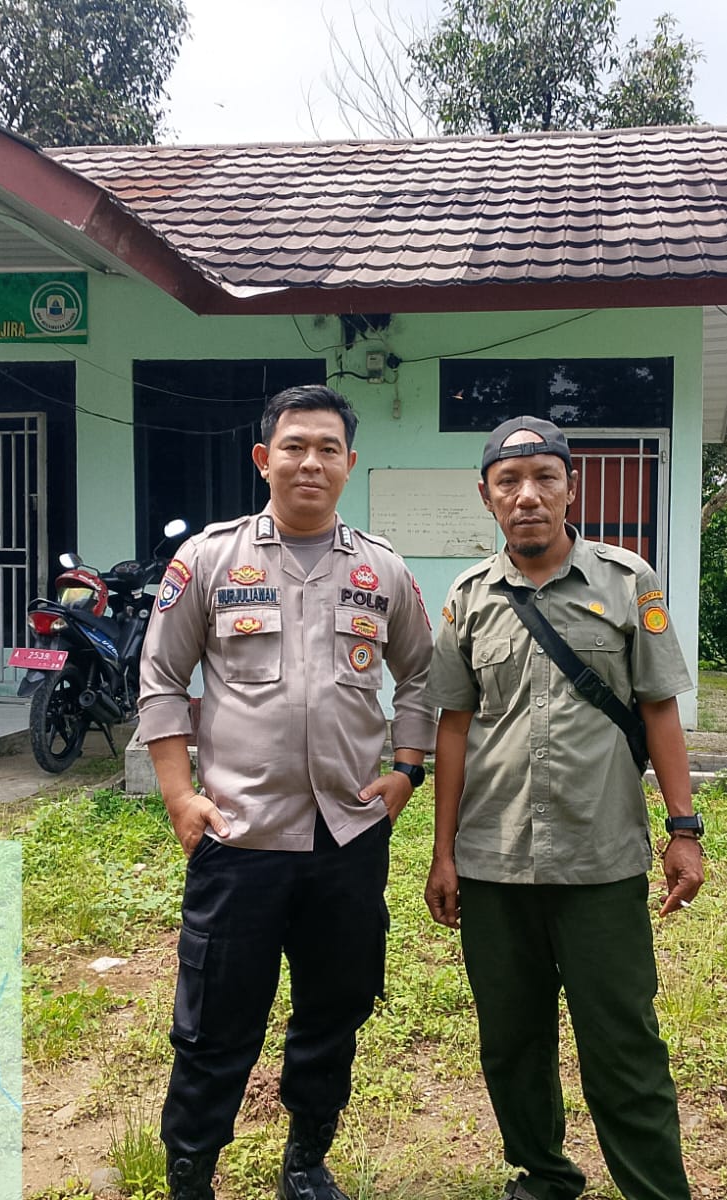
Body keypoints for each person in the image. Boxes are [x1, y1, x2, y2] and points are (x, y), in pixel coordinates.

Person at [138, 384, 437, 1200]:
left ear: (348, 463)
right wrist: (178, 796)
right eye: (295, 445)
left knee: (332, 1013)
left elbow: (422, 677)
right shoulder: (207, 559)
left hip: (347, 836)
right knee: (212, 1026)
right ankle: (190, 1175)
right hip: (239, 836)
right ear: (265, 458)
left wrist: (406, 769)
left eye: (329, 448)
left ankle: (305, 1161)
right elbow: (161, 678)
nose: (312, 461)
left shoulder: (383, 568)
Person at [424, 415, 705, 1200]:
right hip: (493, 861)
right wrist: (443, 854)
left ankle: (655, 1189)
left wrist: (685, 831)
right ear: (486, 497)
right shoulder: (469, 598)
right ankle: (544, 1173)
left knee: (622, 1043)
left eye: (545, 478)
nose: (528, 497)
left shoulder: (627, 582)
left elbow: (658, 708)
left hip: (601, 857)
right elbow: (454, 728)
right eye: (509, 483)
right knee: (510, 1042)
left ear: (570, 488)